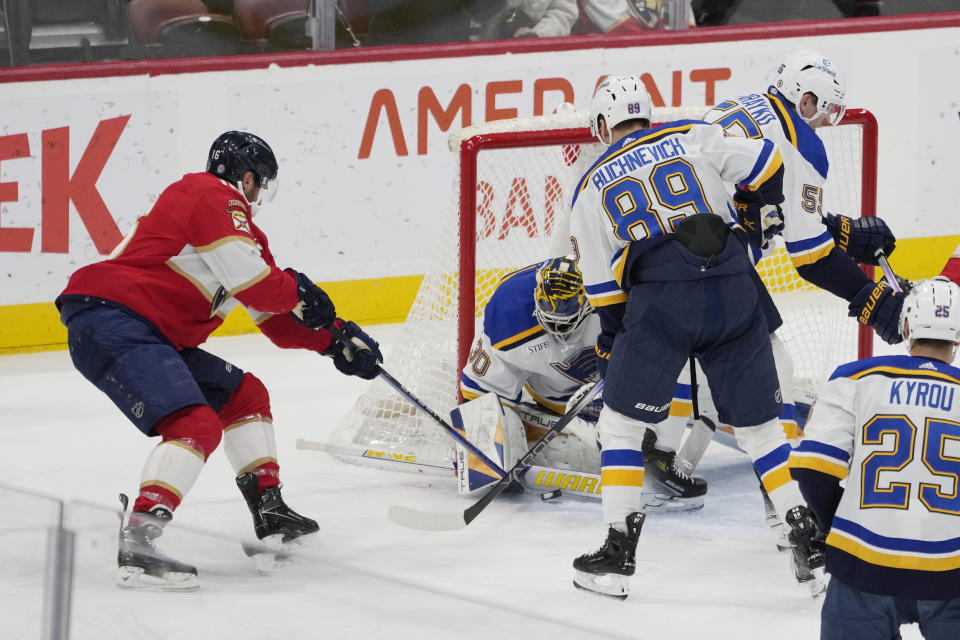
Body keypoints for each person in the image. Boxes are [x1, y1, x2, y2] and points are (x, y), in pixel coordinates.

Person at [55, 131, 383, 591]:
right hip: (116, 319)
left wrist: (334, 340)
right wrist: (299, 291)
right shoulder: (208, 193)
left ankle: (272, 514)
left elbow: (272, 315)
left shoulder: (240, 234)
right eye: (260, 184)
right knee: (195, 425)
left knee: (245, 395)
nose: (259, 197)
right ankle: (140, 542)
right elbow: (262, 284)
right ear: (246, 178)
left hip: (143, 330)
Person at [567, 74, 827, 600]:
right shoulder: (692, 133)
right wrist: (759, 218)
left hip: (661, 296)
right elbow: (768, 163)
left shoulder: (590, 186)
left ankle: (618, 553)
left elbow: (604, 293)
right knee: (762, 428)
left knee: (620, 426)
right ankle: (806, 537)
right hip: (734, 280)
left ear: (601, 126)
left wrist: (616, 345)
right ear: (649, 112)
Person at [654, 49, 902, 538]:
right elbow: (808, 257)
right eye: (824, 111)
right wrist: (872, 301)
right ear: (806, 100)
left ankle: (656, 447)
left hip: (654, 249)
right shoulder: (803, 142)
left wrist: (841, 231)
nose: (826, 124)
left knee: (690, 356)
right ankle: (784, 499)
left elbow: (770, 204)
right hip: (711, 261)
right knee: (772, 370)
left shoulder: (740, 105)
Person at [790, 276, 960, 639]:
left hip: (862, 568)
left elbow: (812, 469)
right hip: (952, 575)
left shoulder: (855, 378)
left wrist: (835, 526)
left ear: (907, 327)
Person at [458, 256, 706, 504]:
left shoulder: (616, 298)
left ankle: (660, 455)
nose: (558, 329)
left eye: (566, 323)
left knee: (679, 360)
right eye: (551, 320)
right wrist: (483, 442)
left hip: (618, 386)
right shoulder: (509, 313)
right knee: (487, 453)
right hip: (552, 397)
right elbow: (481, 392)